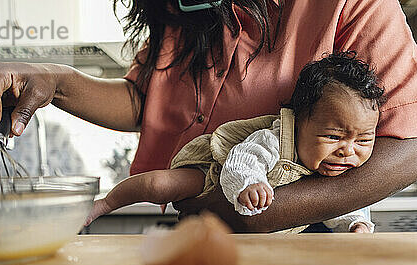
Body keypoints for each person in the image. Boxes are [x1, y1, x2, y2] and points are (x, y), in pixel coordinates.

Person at [0, 0, 417, 233]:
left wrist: (259, 212)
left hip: (298, 235)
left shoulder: (349, 5)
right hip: (197, 228)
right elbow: (145, 101)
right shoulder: (186, 11)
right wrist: (55, 80)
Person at [85, 52, 382, 233]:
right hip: (214, 172)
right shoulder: (275, 139)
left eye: (364, 140)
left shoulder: (339, 168)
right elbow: (243, 159)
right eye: (333, 136)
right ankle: (104, 203)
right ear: (299, 120)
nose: (348, 150)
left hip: (253, 235)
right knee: (158, 187)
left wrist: (355, 224)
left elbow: (342, 207)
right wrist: (248, 184)